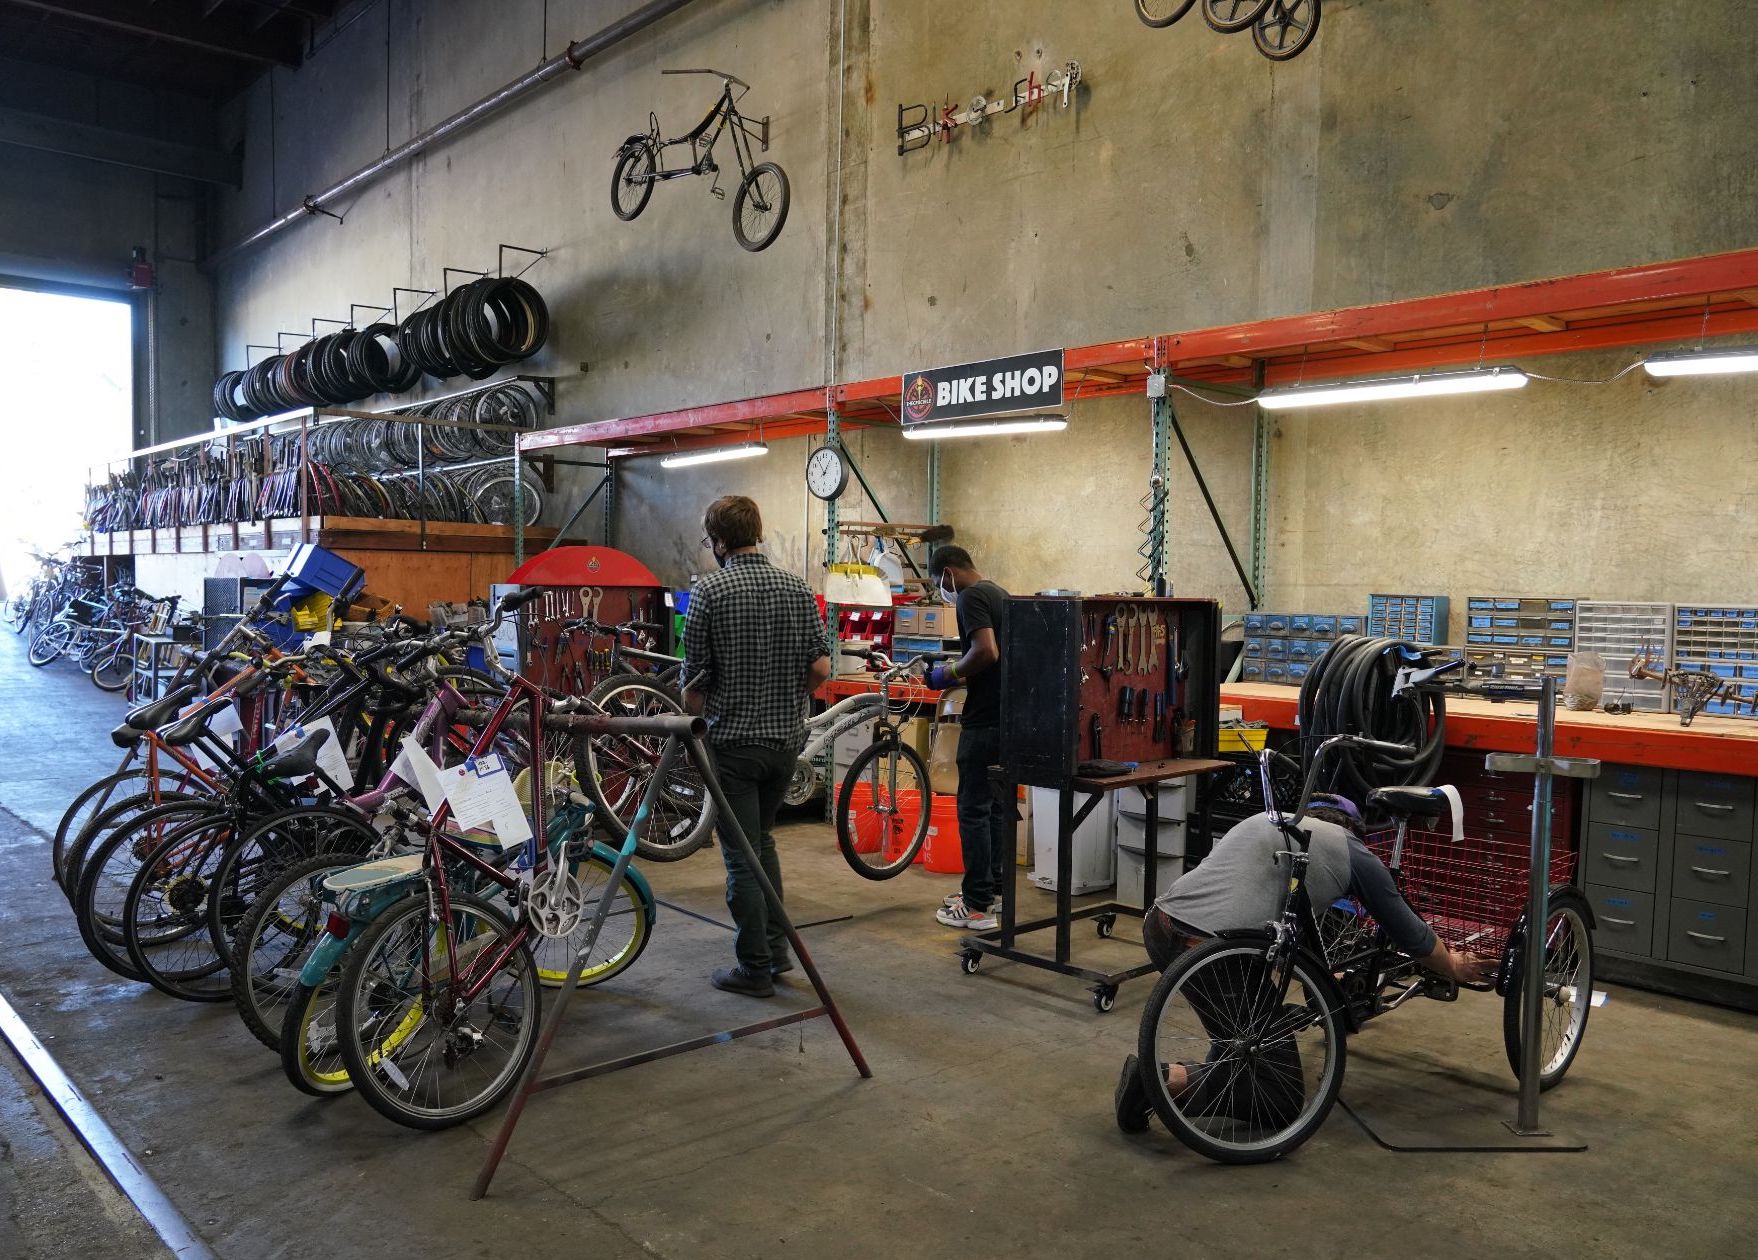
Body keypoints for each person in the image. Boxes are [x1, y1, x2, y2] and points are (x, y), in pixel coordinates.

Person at [1113, 792, 1491, 1134]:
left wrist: (1328, 977)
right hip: (1211, 953)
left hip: (1161, 926)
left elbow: (1282, 924)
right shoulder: (1353, 852)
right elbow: (1412, 934)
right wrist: (1453, 965)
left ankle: (1179, 1079)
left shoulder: (1269, 821)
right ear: (1352, 830)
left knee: (1241, 1035)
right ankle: (1155, 1083)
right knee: (1279, 1097)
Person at [682, 495, 831, 998]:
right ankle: (777, 950)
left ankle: (754, 967)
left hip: (733, 746)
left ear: (720, 540)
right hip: (785, 743)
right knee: (762, 843)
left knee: (740, 856)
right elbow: (821, 668)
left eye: (710, 540)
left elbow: (695, 682)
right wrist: (788, 700)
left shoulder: (710, 591)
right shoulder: (797, 588)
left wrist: (690, 732)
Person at [922, 545, 1011, 931]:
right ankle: (992, 893)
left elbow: (986, 651)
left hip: (985, 719)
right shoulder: (999, 592)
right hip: (1008, 718)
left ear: (948, 574)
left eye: (937, 583)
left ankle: (975, 905)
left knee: (972, 809)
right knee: (995, 808)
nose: (941, 590)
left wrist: (948, 674)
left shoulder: (971, 596)